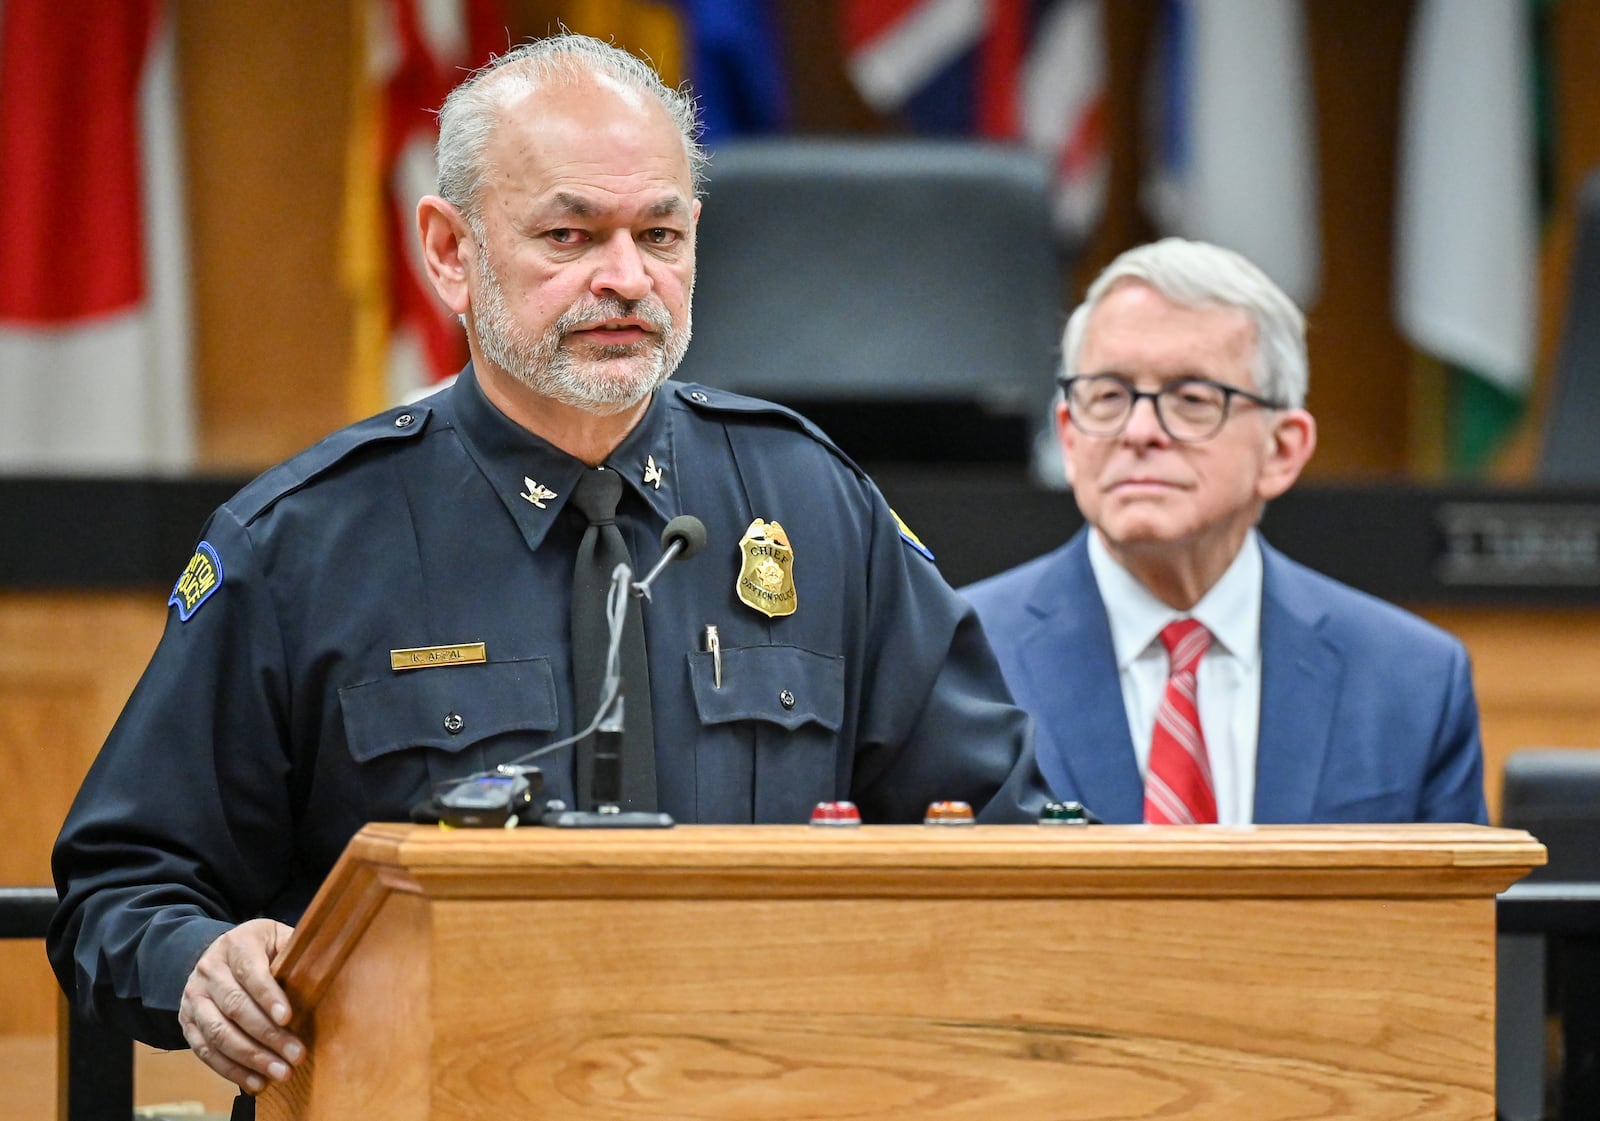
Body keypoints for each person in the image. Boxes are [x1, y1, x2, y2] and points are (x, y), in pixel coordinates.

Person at [48, 33, 1045, 1110]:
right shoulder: (303, 540)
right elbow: (122, 887)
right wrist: (201, 964)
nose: (625, 278)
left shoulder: (812, 504)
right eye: (569, 235)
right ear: (449, 251)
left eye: (658, 234)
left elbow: (1006, 836)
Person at [964, 237, 1486, 827]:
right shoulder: (961, 661)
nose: (1139, 430)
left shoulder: (1411, 681)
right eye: (1108, 396)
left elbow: (1452, 887)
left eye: (1191, 398)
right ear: (1069, 436)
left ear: (1282, 449)